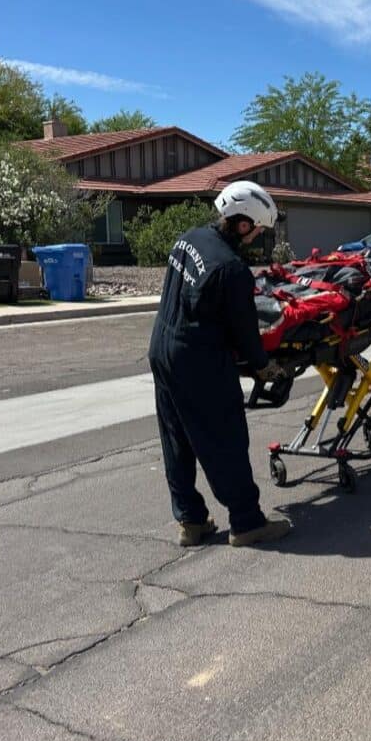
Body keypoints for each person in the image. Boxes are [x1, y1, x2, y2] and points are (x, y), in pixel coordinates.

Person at [149, 180, 292, 547]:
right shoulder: (231, 269)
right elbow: (245, 333)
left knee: (176, 438)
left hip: (162, 346)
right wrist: (266, 367)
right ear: (243, 224)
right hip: (198, 359)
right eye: (258, 229)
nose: (258, 236)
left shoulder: (188, 238)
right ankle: (246, 522)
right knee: (225, 437)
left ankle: (191, 522)